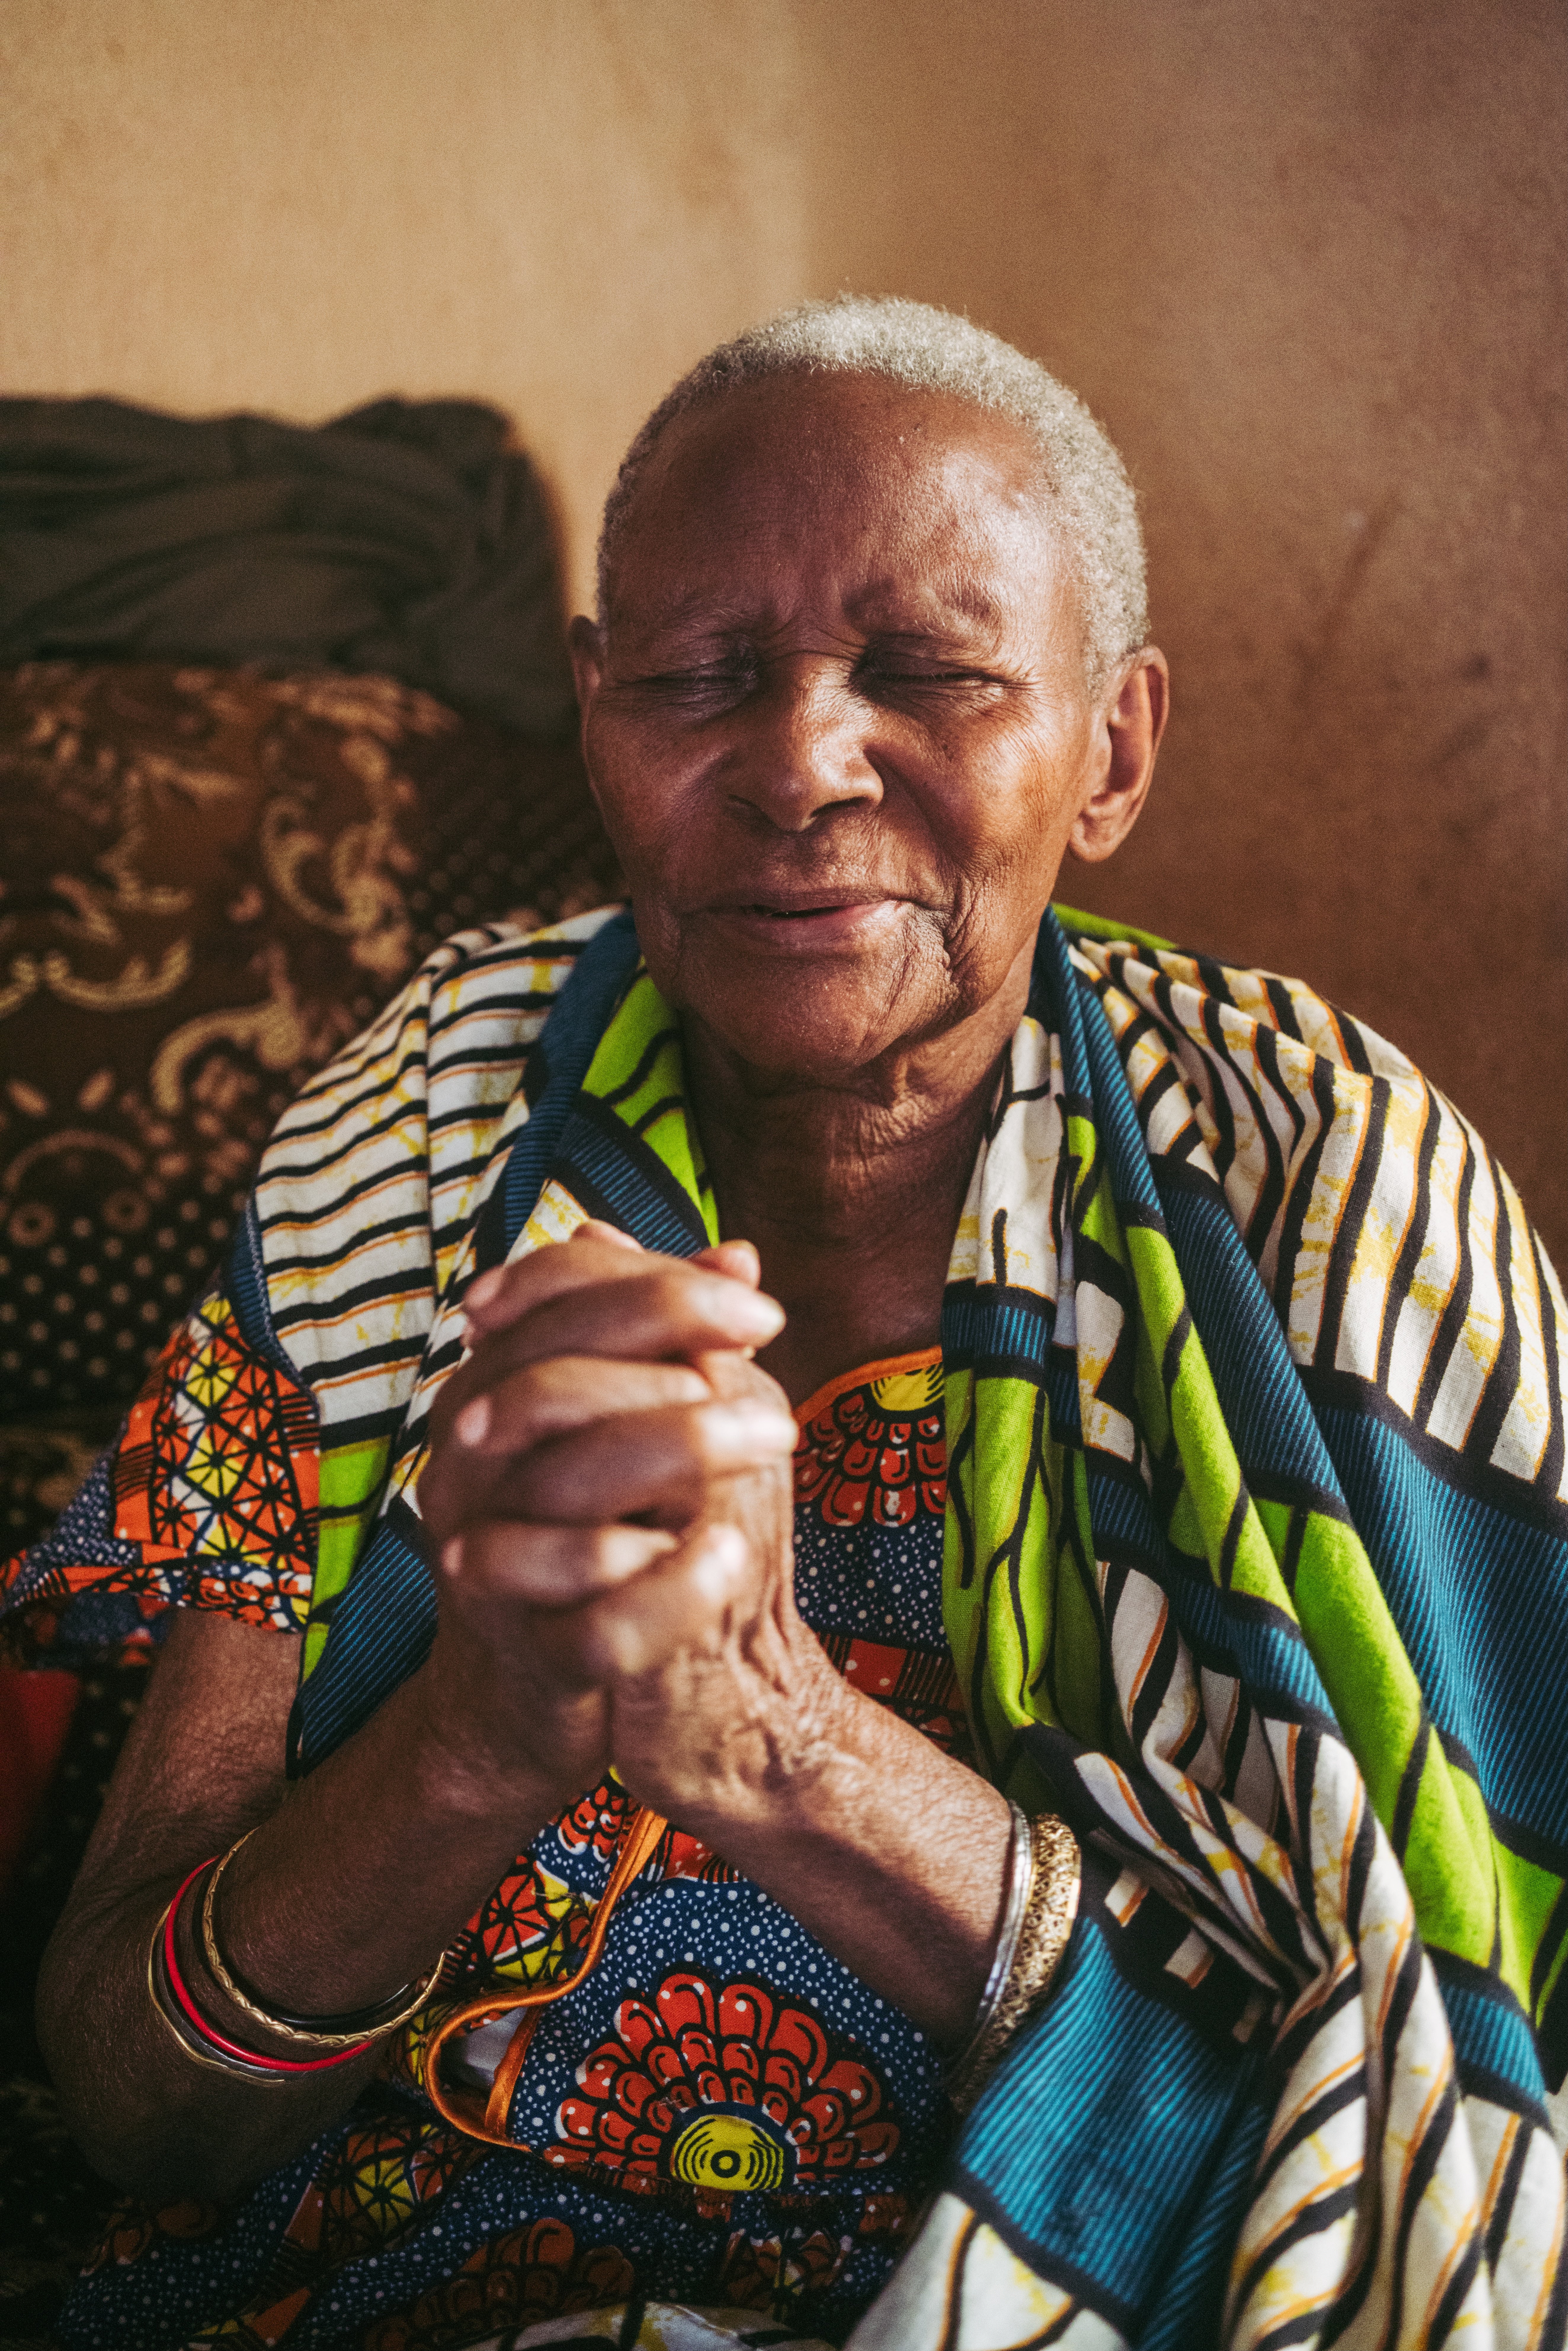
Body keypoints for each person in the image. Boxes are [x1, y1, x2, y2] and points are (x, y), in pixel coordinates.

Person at [4, 296, 1565, 2351]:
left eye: (927, 673)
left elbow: (1431, 2141)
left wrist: (777, 1740)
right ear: (591, 712)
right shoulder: (410, 1138)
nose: (802, 765)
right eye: (699, 677)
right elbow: (134, 2105)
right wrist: (484, 1723)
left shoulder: (1339, 1200)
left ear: (1113, 747)